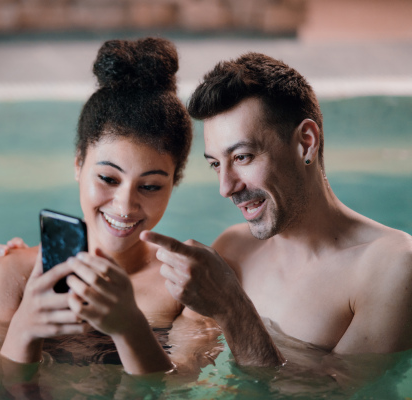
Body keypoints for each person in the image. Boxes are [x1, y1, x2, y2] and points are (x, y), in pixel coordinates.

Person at [140, 52, 412, 371]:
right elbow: (177, 374)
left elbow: (339, 396)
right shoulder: (233, 249)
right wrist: (125, 326)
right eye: (215, 164)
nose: (225, 187)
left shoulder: (390, 268)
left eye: (242, 157)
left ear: (306, 143)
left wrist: (233, 310)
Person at [0, 37, 220, 378]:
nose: (125, 204)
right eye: (108, 178)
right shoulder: (14, 279)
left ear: (174, 183)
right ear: (78, 164)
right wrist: (25, 325)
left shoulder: (186, 288)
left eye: (149, 186)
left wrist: (130, 326)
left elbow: (177, 388)